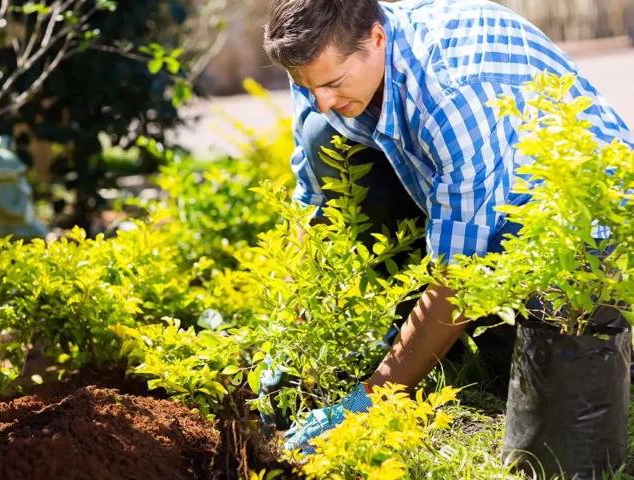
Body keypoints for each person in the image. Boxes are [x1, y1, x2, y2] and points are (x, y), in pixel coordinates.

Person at [260, 0, 634, 452]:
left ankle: (436, 348)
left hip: (577, 226)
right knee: (326, 137)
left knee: (542, 370)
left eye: (334, 84)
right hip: (473, 202)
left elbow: (460, 276)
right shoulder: (319, 58)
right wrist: (290, 329)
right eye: (308, 86)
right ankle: (423, 344)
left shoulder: (453, 88)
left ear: (376, 39)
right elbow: (313, 204)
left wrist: (370, 398)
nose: (322, 100)